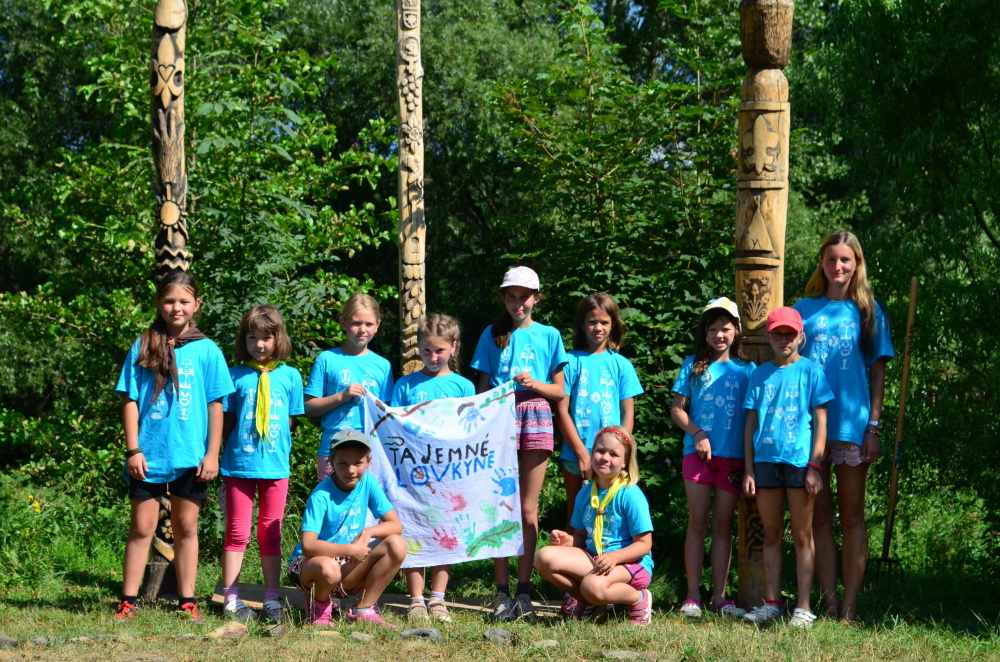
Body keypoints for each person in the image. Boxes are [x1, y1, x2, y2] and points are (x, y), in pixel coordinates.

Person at [113, 272, 234, 621]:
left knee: (186, 527)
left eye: (184, 301)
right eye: (169, 301)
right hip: (148, 455)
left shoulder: (207, 350)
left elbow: (216, 405)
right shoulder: (143, 345)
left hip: (190, 456)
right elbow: (130, 399)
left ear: (197, 304)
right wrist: (133, 449)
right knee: (141, 527)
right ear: (158, 304)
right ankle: (128, 601)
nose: (176, 308)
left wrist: (212, 454)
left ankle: (187, 600)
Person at [793, 230, 895, 621]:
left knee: (852, 518)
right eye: (832, 259)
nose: (838, 266)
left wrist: (874, 426)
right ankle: (828, 600)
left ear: (857, 264)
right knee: (818, 518)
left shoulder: (868, 311)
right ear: (822, 262)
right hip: (809, 428)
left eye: (845, 260)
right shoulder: (803, 309)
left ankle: (849, 607)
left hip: (853, 426)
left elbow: (878, 374)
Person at [470, 266, 569, 621]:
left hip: (536, 415)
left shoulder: (549, 335)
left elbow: (560, 391)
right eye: (511, 297)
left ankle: (524, 591)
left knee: (528, 509)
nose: (518, 304)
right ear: (504, 298)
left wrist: (534, 384)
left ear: (536, 298)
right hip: (498, 416)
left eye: (524, 297)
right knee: (500, 506)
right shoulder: (491, 333)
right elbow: (481, 388)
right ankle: (501, 590)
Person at [742, 307, 834, 628]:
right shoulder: (759, 374)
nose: (784, 339)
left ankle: (804, 606)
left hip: (799, 462)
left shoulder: (812, 371)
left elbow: (821, 422)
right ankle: (772, 602)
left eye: (789, 334)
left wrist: (815, 465)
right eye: (778, 334)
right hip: (765, 461)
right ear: (769, 337)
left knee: (802, 534)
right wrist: (749, 469)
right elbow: (750, 424)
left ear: (800, 337)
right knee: (771, 534)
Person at [669, 297, 755, 619]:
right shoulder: (693, 365)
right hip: (697, 455)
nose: (719, 335)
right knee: (697, 522)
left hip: (732, 458)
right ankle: (693, 595)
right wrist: (697, 433)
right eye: (713, 329)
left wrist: (750, 463)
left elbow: (753, 416)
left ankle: (719, 596)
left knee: (723, 525)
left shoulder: (748, 370)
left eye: (726, 328)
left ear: (736, 331)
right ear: (705, 333)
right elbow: (677, 409)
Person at [218, 305, 304, 624]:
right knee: (237, 531)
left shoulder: (291, 376)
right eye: (252, 338)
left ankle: (271, 596)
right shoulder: (234, 376)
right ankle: (230, 597)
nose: (259, 344)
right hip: (238, 466)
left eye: (266, 338)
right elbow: (225, 420)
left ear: (278, 339)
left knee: (271, 532)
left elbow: (292, 421)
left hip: (275, 468)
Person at [390, 313, 475, 623]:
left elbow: (472, 428)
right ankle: (415, 599)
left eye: (439, 350)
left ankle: (438, 598)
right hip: (413, 475)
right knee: (413, 530)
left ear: (454, 347)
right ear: (418, 348)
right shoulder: (405, 385)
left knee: (446, 533)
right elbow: (392, 425)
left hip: (450, 474)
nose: (433, 356)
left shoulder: (464, 386)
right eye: (426, 350)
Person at [287, 429, 407, 628]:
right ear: (331, 462)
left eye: (358, 463)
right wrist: (351, 550)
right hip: (311, 564)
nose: (350, 470)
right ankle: (319, 606)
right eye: (343, 463)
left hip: (345, 561)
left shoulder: (367, 482)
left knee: (397, 544)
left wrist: (367, 532)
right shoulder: (320, 496)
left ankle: (364, 609)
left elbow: (396, 525)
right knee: (329, 568)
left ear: (368, 462)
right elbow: (308, 545)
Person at [535, 426, 654, 626]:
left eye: (614, 454)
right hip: (596, 559)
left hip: (630, 564)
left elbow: (644, 544)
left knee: (592, 586)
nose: (605, 457)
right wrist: (568, 540)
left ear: (625, 462)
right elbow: (581, 538)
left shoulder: (630, 494)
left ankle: (638, 598)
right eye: (600, 451)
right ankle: (586, 602)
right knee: (542, 558)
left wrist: (615, 557)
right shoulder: (585, 493)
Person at [557, 293, 643, 524]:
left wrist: (620, 450)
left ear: (613, 324)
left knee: (610, 515)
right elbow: (562, 411)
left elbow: (628, 413)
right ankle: (572, 549)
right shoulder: (569, 361)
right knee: (576, 514)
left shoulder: (621, 364)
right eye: (592, 322)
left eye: (604, 322)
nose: (598, 328)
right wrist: (581, 453)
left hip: (611, 456)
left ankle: (608, 549)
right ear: (582, 325)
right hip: (576, 454)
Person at [304, 294, 393, 481]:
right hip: (333, 450)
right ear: (343, 322)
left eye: (369, 324)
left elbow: (386, 415)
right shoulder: (327, 359)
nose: (362, 330)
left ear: (377, 325)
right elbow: (309, 407)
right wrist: (341, 397)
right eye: (356, 323)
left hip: (370, 451)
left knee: (368, 499)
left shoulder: (383, 366)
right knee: (332, 498)